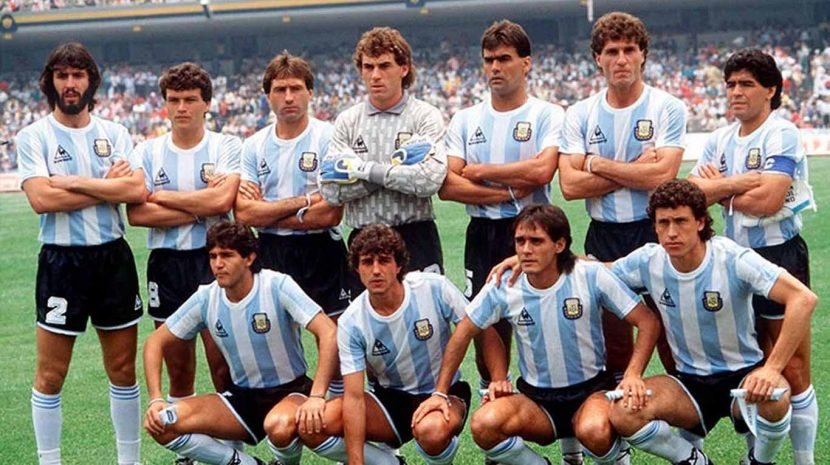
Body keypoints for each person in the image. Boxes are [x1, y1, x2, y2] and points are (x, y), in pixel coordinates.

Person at [414, 204, 660, 465]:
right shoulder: (505, 284)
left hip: (590, 392)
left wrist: (633, 374)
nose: (525, 249)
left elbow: (647, 321)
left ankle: (617, 455)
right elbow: (463, 332)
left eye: (536, 241)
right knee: (484, 424)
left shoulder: (589, 274)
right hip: (538, 401)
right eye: (520, 241)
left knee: (595, 431)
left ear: (559, 244)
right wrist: (440, 392)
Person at [608, 179, 816, 465]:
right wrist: (561, 262)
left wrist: (771, 369)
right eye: (663, 223)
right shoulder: (647, 261)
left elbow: (803, 299)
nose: (671, 232)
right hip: (689, 384)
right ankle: (692, 459)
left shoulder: (731, 257)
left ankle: (758, 461)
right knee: (624, 412)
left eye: (681, 221)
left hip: (745, 376)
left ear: (700, 222)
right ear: (654, 226)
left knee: (776, 396)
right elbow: (596, 276)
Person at [16, 42, 146, 465]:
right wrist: (106, 186)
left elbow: (135, 190)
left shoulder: (116, 133)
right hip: (62, 261)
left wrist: (71, 182)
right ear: (50, 82)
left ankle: (129, 461)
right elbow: (41, 199)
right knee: (51, 374)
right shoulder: (33, 135)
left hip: (112, 258)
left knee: (122, 370)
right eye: (62, 76)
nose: (70, 84)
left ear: (91, 81)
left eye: (77, 75)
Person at [688, 48, 817, 465]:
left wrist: (719, 189)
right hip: (734, 262)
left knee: (793, 368)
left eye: (746, 84)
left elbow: (770, 200)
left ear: (771, 90)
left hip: (779, 254)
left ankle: (804, 460)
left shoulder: (782, 133)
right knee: (751, 362)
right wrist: (740, 183)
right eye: (731, 85)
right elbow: (692, 195)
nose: (735, 92)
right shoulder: (718, 139)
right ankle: (754, 455)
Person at [297, 224, 505, 465]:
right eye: (367, 262)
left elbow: (483, 331)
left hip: (445, 392)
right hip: (390, 401)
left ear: (398, 265)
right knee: (315, 424)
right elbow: (354, 398)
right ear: (357, 268)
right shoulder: (351, 322)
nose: (376, 270)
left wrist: (499, 379)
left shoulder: (434, 287)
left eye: (384, 261)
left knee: (431, 431)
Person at [437, 19, 564, 402]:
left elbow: (542, 171)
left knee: (544, 318)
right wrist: (508, 191)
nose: (495, 67)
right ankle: (495, 398)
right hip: (483, 231)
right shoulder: (466, 119)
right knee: (486, 324)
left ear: (526, 63)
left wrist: (481, 172)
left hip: (534, 233)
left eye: (504, 58)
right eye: (489, 59)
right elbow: (448, 185)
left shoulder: (546, 114)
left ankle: (554, 409)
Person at [557, 11, 687, 380]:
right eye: (612, 51)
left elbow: (662, 176)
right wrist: (633, 170)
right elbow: (570, 186)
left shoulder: (667, 107)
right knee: (614, 340)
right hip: (604, 232)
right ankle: (619, 408)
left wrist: (595, 163)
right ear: (597, 58)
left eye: (629, 50)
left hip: (655, 231)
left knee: (670, 335)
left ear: (643, 54)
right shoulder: (580, 113)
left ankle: (687, 412)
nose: (621, 59)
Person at [143, 222, 338, 465]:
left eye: (227, 255)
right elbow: (154, 342)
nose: (218, 264)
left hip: (291, 391)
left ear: (249, 257)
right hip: (241, 398)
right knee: (161, 423)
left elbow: (328, 332)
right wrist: (156, 398)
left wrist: (317, 395)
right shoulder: (206, 297)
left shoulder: (276, 285)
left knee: (278, 427)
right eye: (213, 256)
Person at [127, 64, 241, 457]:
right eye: (174, 100)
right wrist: (199, 207)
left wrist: (162, 197)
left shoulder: (225, 146)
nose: (181, 107)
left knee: (222, 364)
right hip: (166, 263)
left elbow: (222, 201)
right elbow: (137, 213)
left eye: (190, 99)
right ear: (164, 104)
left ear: (207, 103)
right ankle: (189, 452)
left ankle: (234, 447)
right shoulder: (147, 150)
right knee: (179, 368)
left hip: (213, 262)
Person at [234, 51, 349, 360]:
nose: (288, 97)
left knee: (335, 343)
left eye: (296, 88)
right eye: (280, 89)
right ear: (267, 96)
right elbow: (244, 213)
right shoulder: (253, 145)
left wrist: (266, 213)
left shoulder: (329, 138)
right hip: (271, 250)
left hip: (322, 249)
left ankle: (333, 395)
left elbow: (331, 212)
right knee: (276, 348)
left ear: (310, 92)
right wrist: (306, 201)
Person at [319, 26, 448, 296]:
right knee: (368, 319)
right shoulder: (347, 121)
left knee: (425, 316)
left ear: (404, 68)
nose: (375, 75)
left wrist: (362, 169)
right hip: (363, 239)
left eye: (384, 65)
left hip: (415, 235)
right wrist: (395, 170)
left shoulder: (425, 116)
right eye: (368, 67)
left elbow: (428, 180)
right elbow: (331, 190)